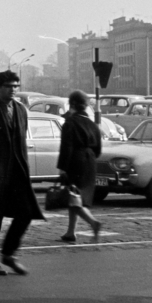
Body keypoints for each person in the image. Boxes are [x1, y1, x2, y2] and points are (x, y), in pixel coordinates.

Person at [0, 70, 42, 274]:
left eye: (16, 86)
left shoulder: (21, 110)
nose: (13, 90)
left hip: (17, 173)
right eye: (9, 86)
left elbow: (21, 142)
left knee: (26, 213)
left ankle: (9, 253)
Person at [56, 90, 104, 243]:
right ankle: (71, 232)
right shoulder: (93, 125)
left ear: (72, 105)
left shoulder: (70, 123)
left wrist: (62, 167)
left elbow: (67, 147)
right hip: (90, 162)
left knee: (73, 198)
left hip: (75, 162)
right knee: (76, 197)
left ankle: (93, 223)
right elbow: (98, 150)